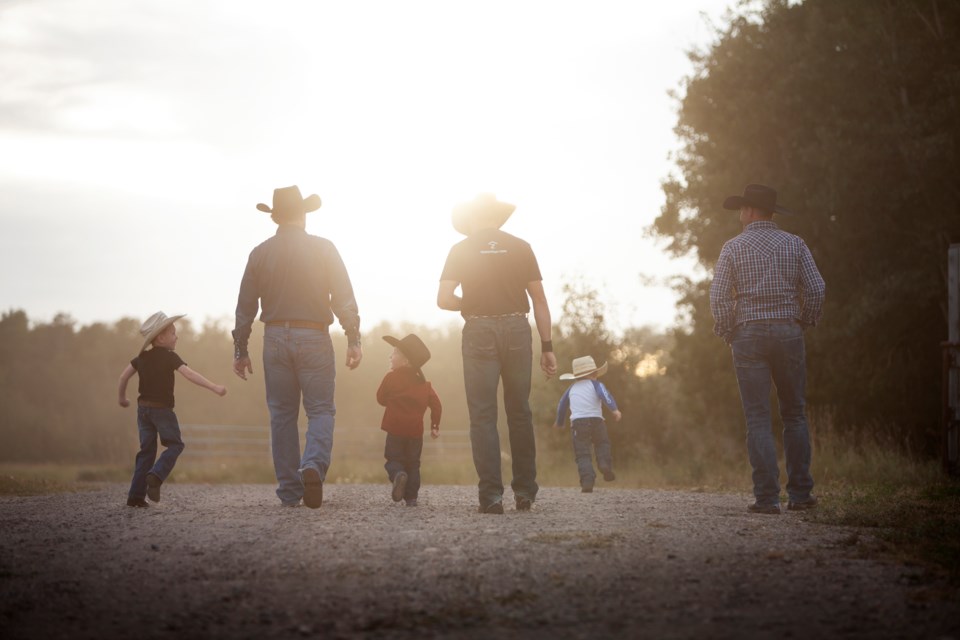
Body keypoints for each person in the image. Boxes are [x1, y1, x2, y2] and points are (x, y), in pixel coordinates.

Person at [232, 185, 362, 509]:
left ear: (276, 217)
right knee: (320, 410)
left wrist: (240, 349)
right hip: (314, 335)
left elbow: (245, 307)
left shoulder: (259, 253)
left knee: (282, 415)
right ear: (304, 214)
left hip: (274, 337)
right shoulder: (324, 249)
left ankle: (290, 492)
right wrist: (353, 338)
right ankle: (313, 466)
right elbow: (343, 297)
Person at [438, 193, 558, 514]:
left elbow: (444, 299)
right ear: (497, 217)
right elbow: (540, 301)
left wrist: (474, 302)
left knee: (482, 415)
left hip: (479, 332)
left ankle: (491, 496)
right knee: (519, 411)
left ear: (472, 218)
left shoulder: (460, 250)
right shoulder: (521, 247)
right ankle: (524, 494)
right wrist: (547, 347)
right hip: (518, 330)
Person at [709, 184, 825, 515]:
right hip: (788, 329)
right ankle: (801, 495)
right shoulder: (795, 243)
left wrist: (728, 330)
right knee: (795, 413)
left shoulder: (732, 248)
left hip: (748, 334)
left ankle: (767, 498)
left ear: (749, 212)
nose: (739, 215)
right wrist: (803, 321)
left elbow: (718, 297)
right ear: (771, 213)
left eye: (741, 209)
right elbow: (817, 288)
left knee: (758, 417)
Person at [118, 311, 227, 507]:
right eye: (173, 333)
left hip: (143, 410)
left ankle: (135, 497)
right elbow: (190, 374)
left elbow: (123, 377)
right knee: (175, 445)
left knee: (146, 452)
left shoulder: (141, 357)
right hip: (162, 410)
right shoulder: (170, 357)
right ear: (161, 337)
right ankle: (156, 475)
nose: (177, 337)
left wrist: (122, 398)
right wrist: (213, 387)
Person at [376, 333, 442, 507]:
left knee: (393, 459)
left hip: (395, 429)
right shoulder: (425, 385)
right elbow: (437, 405)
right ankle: (411, 498)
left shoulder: (390, 378)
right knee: (413, 463)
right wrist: (434, 425)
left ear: (405, 361)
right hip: (415, 432)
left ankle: (398, 474)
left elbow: (380, 398)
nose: (390, 356)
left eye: (394, 353)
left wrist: (391, 400)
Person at [553, 355, 622, 493]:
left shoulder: (571, 388)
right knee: (602, 443)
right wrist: (614, 409)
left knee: (582, 453)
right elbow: (605, 395)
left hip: (578, 423)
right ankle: (604, 465)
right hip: (597, 420)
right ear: (594, 373)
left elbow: (562, 405)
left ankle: (587, 482)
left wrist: (560, 422)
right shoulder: (596, 385)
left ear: (576, 376)